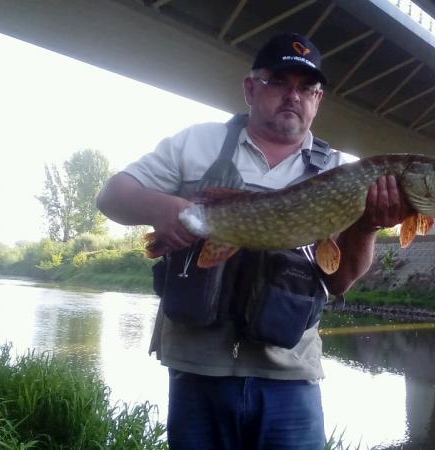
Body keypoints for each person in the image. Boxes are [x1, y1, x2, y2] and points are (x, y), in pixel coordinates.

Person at [96, 32, 411, 449]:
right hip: (197, 372)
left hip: (289, 378)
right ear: (250, 88)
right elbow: (111, 196)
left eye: (307, 88)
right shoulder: (196, 143)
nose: (293, 96)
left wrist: (368, 226)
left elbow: (338, 280)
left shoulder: (341, 173)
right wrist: (162, 209)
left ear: (318, 100)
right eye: (279, 81)